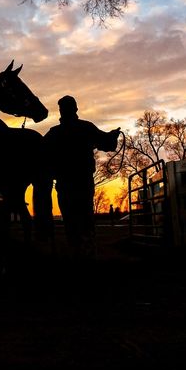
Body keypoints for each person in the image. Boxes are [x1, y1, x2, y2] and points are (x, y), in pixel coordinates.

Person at [44, 95, 121, 258]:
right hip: (82, 183)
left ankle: (77, 256)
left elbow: (39, 153)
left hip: (65, 185)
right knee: (85, 221)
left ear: (61, 111)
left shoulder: (54, 133)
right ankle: (88, 256)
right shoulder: (86, 128)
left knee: (70, 223)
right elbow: (107, 143)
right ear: (76, 109)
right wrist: (113, 136)